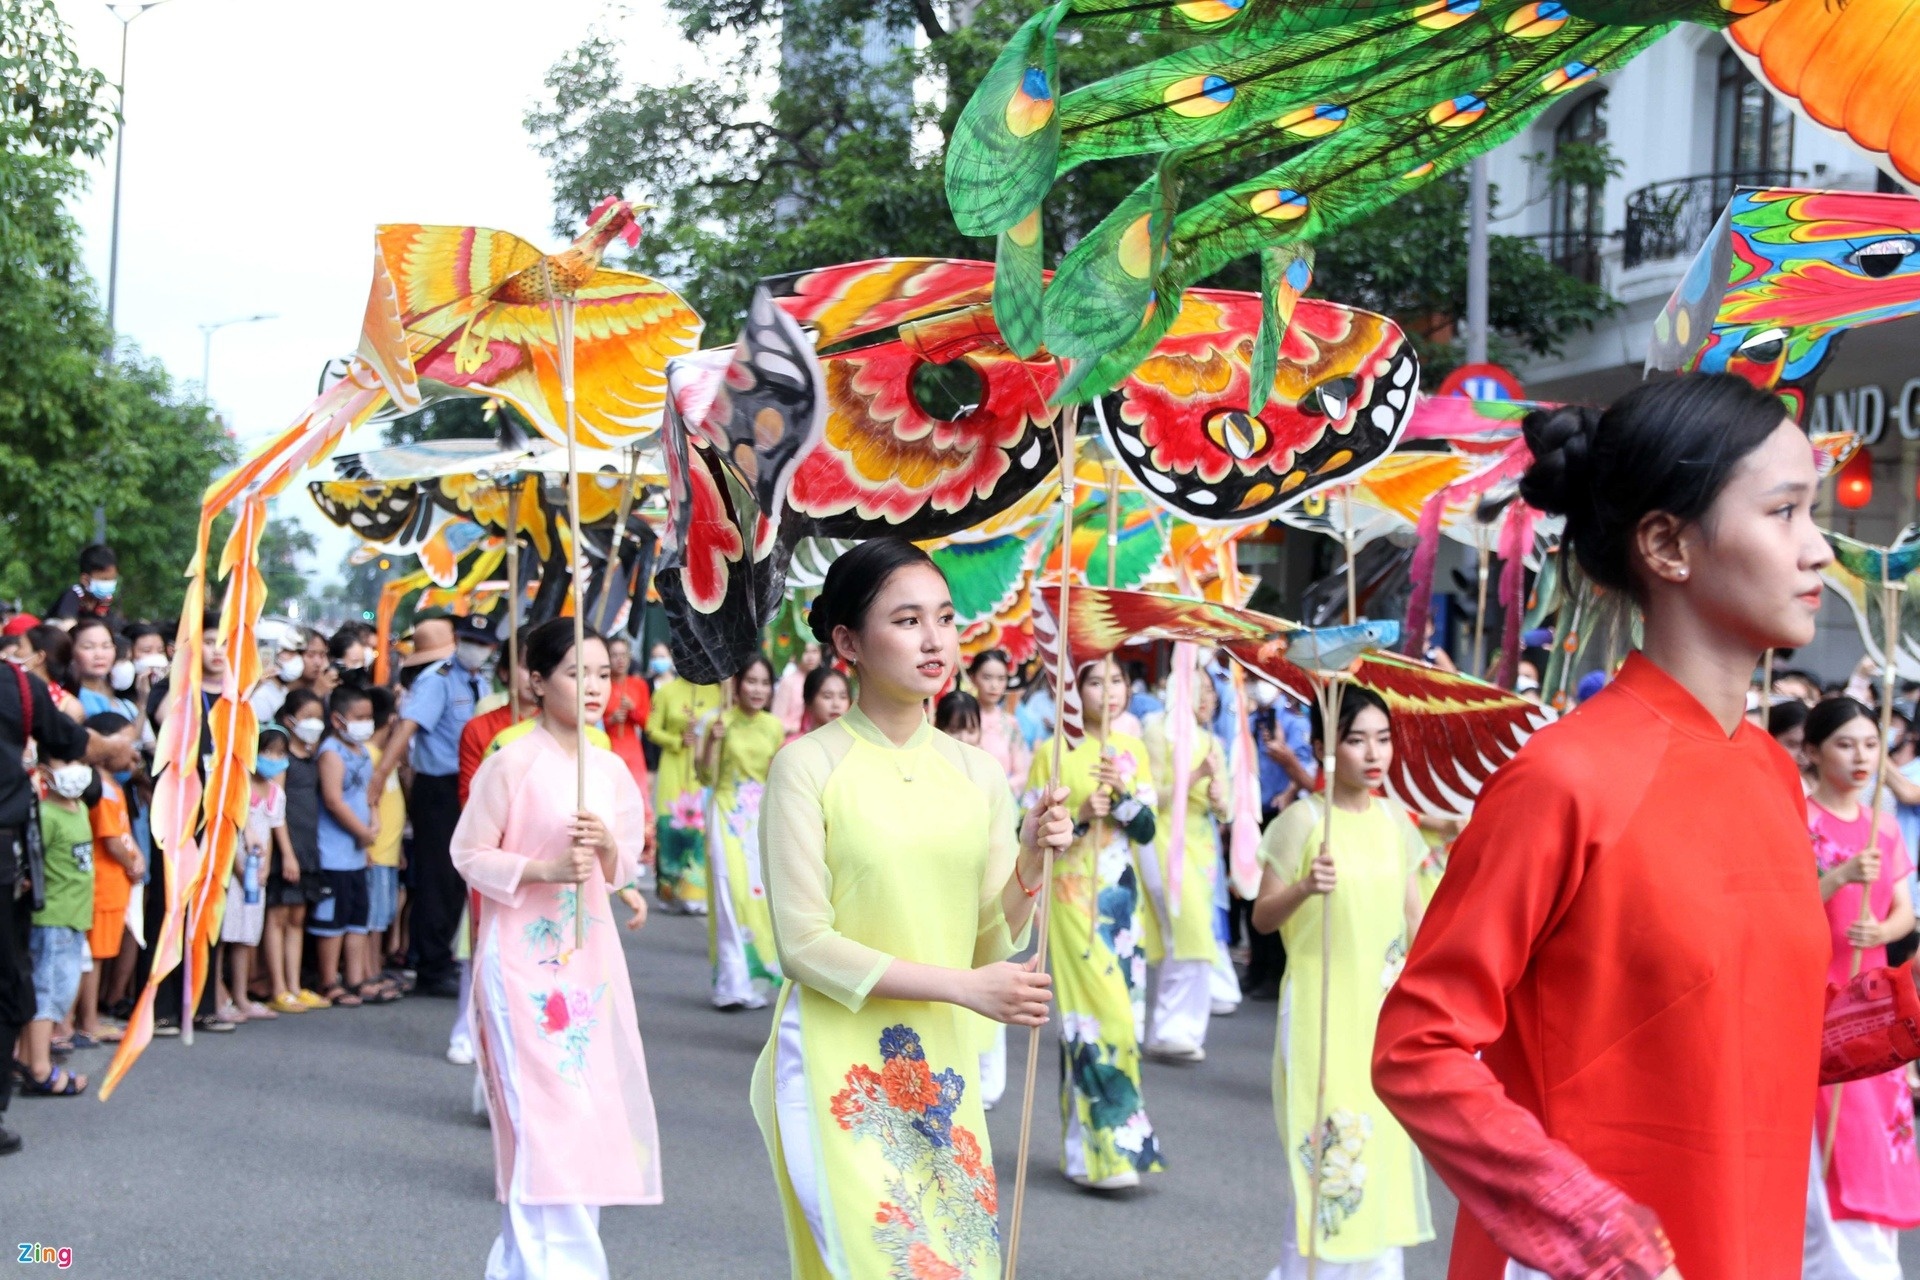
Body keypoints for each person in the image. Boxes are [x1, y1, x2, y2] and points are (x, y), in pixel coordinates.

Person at [1373, 375, 1920, 1280]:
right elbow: (1417, 1046)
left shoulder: (1771, 775)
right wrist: (1576, 1215)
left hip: (1750, 1246)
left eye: (1812, 513)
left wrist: (1905, 1005)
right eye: (1785, 512)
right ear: (1668, 543)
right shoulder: (1563, 778)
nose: (1820, 550)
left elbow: (1753, 1036)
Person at [754, 537, 1068, 1277]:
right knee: (882, 1262)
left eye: (946, 618)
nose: (934, 640)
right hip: (838, 1064)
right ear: (846, 641)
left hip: (940, 1069)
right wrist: (963, 988)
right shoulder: (806, 767)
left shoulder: (979, 775)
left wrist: (1027, 860)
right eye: (906, 620)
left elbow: (988, 941)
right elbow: (803, 946)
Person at [452, 617, 658, 1279]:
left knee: (584, 1114)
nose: (595, 686)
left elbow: (624, 866)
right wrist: (538, 870)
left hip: (589, 967)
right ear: (537, 681)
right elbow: (467, 853)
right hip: (519, 965)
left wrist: (603, 848)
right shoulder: (511, 761)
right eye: (578, 672)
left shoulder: (609, 769)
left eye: (603, 672)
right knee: (544, 1121)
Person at [1252, 686, 1431, 1277]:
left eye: (1382, 739)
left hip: (1383, 1018)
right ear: (1326, 747)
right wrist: (1305, 887)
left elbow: (1415, 920)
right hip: (1320, 1014)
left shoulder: (1395, 823)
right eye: (1357, 740)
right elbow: (1262, 916)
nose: (1373, 753)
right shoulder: (1302, 822)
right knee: (1329, 1157)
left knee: (1378, 1153)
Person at [1024, 654, 1165, 1190]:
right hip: (1071, 900)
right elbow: (1030, 829)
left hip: (1121, 904)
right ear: (1072, 691)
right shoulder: (1051, 754)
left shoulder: (1131, 752)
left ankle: (1089, 1151)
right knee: (1089, 1020)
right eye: (1095, 681)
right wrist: (1081, 815)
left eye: (1117, 680)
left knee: (1122, 1023)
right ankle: (1105, 1152)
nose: (1109, 690)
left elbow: (1148, 830)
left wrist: (1122, 798)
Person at [1802, 697, 1920, 1276]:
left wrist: (1882, 928)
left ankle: (1870, 1257)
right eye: (1845, 744)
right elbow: (1784, 907)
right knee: (1829, 1124)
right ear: (1812, 751)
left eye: (1871, 744)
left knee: (1876, 1125)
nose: (1861, 756)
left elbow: (1904, 913)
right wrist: (1840, 877)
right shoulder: (1798, 820)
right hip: (1817, 995)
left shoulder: (1886, 825)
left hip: (1871, 994)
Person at [0, 658, 132, 1142]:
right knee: (10, 984)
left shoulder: (16, 684)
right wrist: (116, 747)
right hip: (4, 854)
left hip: (7, 856)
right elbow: (79, 743)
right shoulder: (14, 683)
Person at [378, 612, 496, 998]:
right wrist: (379, 778)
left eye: (481, 643)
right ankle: (431, 964)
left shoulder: (481, 681)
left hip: (470, 785)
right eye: (468, 640)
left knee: (459, 875)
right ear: (456, 641)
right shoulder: (437, 681)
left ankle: (440, 954)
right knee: (438, 876)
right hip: (439, 788)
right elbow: (406, 729)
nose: (475, 649)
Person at [1139, 669, 1235, 1062]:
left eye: (1212, 690)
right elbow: (1151, 797)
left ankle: (1182, 1029)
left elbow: (1225, 811)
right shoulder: (1158, 731)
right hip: (1162, 839)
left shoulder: (1213, 742)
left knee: (1199, 937)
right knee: (1187, 929)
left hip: (1201, 847)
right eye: (1200, 688)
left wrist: (1217, 797)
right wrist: (1195, 775)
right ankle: (1169, 1027)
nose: (1208, 697)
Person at [698, 654, 786, 1010]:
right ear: (735, 685)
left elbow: (776, 776)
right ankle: (731, 982)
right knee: (728, 891)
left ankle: (754, 980)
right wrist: (710, 743)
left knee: (758, 897)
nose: (758, 689)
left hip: (760, 815)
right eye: (751, 681)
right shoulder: (717, 722)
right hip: (725, 811)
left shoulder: (774, 727)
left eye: (765, 683)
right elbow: (705, 777)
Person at [310, 687, 389, 1007]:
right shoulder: (331, 752)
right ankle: (329, 980)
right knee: (333, 921)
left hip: (357, 853)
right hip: (334, 852)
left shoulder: (363, 751)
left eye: (369, 718)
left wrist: (372, 823)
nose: (365, 724)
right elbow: (333, 799)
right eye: (358, 718)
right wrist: (361, 832)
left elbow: (369, 794)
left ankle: (356, 979)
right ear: (338, 719)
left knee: (358, 918)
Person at [75, 718, 142, 1047]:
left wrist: (137, 857)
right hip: (103, 885)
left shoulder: (113, 786)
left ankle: (91, 1016)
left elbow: (124, 835)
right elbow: (111, 840)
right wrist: (132, 863)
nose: (132, 752)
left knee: (102, 954)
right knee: (94, 957)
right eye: (125, 743)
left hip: (117, 885)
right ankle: (87, 1021)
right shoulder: (98, 788)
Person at [645, 664, 723, 914]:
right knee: (670, 826)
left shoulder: (717, 693)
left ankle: (696, 893)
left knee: (700, 830)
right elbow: (651, 728)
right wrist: (677, 740)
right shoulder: (666, 692)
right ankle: (669, 893)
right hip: (673, 766)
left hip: (702, 768)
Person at [364, 686, 405, 976]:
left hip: (389, 851)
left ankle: (374, 969)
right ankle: (369, 973)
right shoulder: (368, 755)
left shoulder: (384, 756)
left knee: (381, 916)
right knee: (372, 920)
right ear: (392, 721)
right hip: (374, 851)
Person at [969, 649, 1030, 790]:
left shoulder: (1010, 724)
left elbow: (1021, 773)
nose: (994, 685)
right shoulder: (961, 719)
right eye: (987, 677)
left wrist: (999, 790)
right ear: (973, 677)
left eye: (1001, 679)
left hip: (1001, 798)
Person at [603, 635, 654, 799]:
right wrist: (611, 720)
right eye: (615, 655)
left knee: (637, 797)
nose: (620, 660)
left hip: (633, 749)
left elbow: (648, 724)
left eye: (624, 655)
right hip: (607, 746)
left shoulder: (638, 685)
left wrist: (633, 710)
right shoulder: (601, 684)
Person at [46, 544, 121, 625]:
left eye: (113, 579)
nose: (109, 583)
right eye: (104, 579)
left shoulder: (104, 601)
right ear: (85, 580)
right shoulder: (73, 595)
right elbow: (68, 624)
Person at [20, 625, 82, 722]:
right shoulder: (9, 690)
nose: (15, 652)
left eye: (20, 647)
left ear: (39, 657)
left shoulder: (68, 707)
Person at [250, 628, 308, 725]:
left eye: (298, 653)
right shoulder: (260, 695)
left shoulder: (282, 691)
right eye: (289, 651)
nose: (297, 658)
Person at [783, 664, 850, 746]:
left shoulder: (853, 746)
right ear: (809, 701)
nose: (836, 704)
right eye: (827, 696)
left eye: (843, 697)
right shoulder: (794, 746)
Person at [770, 642, 821, 738]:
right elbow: (776, 720)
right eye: (805, 651)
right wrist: (796, 728)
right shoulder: (788, 682)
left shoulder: (823, 681)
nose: (810, 657)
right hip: (792, 739)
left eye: (814, 651)